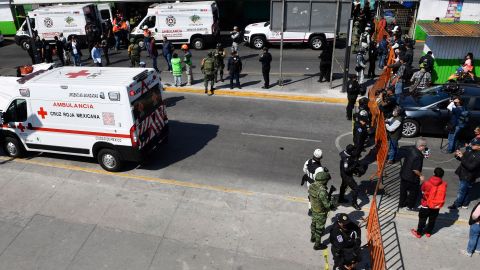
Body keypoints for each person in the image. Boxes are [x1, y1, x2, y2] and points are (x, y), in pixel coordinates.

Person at [411, 167, 447, 238]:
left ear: (433, 173)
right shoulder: (444, 184)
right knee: (432, 220)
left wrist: (422, 182)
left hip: (426, 205)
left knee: (422, 220)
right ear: (442, 176)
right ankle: (428, 232)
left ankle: (419, 233)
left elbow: (422, 190)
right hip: (436, 206)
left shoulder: (427, 183)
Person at [448, 138, 480, 210]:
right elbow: (463, 159)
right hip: (463, 173)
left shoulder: (479, 155)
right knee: (466, 190)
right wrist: (457, 155)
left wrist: (462, 157)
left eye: (474, 144)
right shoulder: (470, 150)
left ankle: (457, 204)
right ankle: (465, 204)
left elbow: (471, 167)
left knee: (461, 191)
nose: (472, 145)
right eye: (472, 143)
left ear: (479, 146)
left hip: (469, 175)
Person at [397, 138, 428, 210]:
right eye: (425, 146)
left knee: (403, 191)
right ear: (421, 146)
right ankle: (410, 206)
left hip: (404, 175)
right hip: (412, 178)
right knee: (413, 193)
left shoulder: (411, 149)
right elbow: (415, 170)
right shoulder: (418, 156)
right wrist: (421, 176)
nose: (425, 148)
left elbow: (402, 148)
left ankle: (401, 204)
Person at [308, 168, 333, 250]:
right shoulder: (322, 191)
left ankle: (312, 237)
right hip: (321, 213)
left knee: (313, 224)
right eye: (326, 180)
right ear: (323, 181)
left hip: (313, 209)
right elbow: (327, 205)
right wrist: (332, 199)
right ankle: (317, 245)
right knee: (319, 229)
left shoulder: (312, 186)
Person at [302, 149, 325, 216]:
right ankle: (313, 209)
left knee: (310, 196)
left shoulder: (308, 161)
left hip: (309, 183)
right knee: (316, 197)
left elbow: (304, 170)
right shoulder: (319, 169)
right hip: (315, 185)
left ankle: (310, 209)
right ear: (320, 157)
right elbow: (321, 179)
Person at [339, 144, 361, 210]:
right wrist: (354, 164)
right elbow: (347, 170)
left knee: (343, 185)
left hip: (342, 174)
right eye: (352, 150)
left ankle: (341, 198)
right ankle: (354, 203)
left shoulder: (343, 153)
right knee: (355, 189)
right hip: (347, 176)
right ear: (350, 151)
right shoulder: (346, 160)